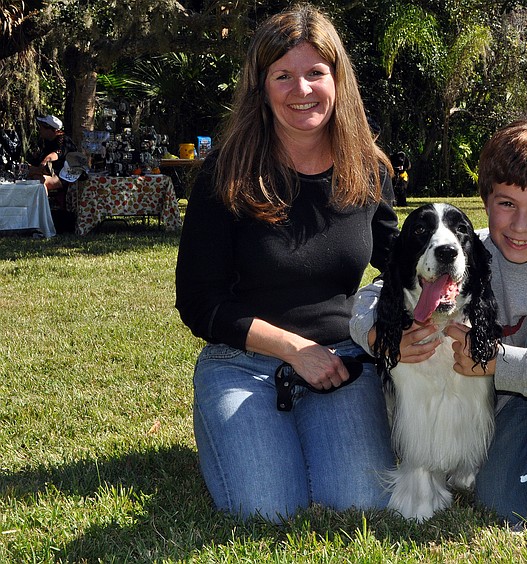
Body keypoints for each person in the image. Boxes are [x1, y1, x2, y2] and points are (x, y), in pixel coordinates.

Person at [349, 118, 527, 529]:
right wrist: (375, 336)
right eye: (507, 204)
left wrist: (502, 363)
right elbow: (375, 291)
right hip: (508, 404)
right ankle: (517, 454)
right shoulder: (468, 247)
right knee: (499, 500)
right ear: (487, 201)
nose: (519, 225)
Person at [175, 4, 398, 523]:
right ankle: (230, 427)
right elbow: (199, 302)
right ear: (261, 86)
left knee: (361, 503)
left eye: (316, 73)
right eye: (284, 75)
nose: (302, 90)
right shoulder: (225, 174)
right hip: (243, 363)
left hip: (341, 364)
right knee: (267, 509)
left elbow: (402, 267)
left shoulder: (368, 171)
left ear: (337, 79)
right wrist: (295, 349)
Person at [27, 115, 79, 231]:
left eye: (41, 127)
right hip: (52, 174)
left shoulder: (63, 140)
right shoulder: (46, 142)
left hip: (66, 176)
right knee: (31, 176)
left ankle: (43, 220)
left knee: (39, 182)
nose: (39, 130)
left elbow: (57, 154)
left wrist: (46, 160)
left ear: (50, 129)